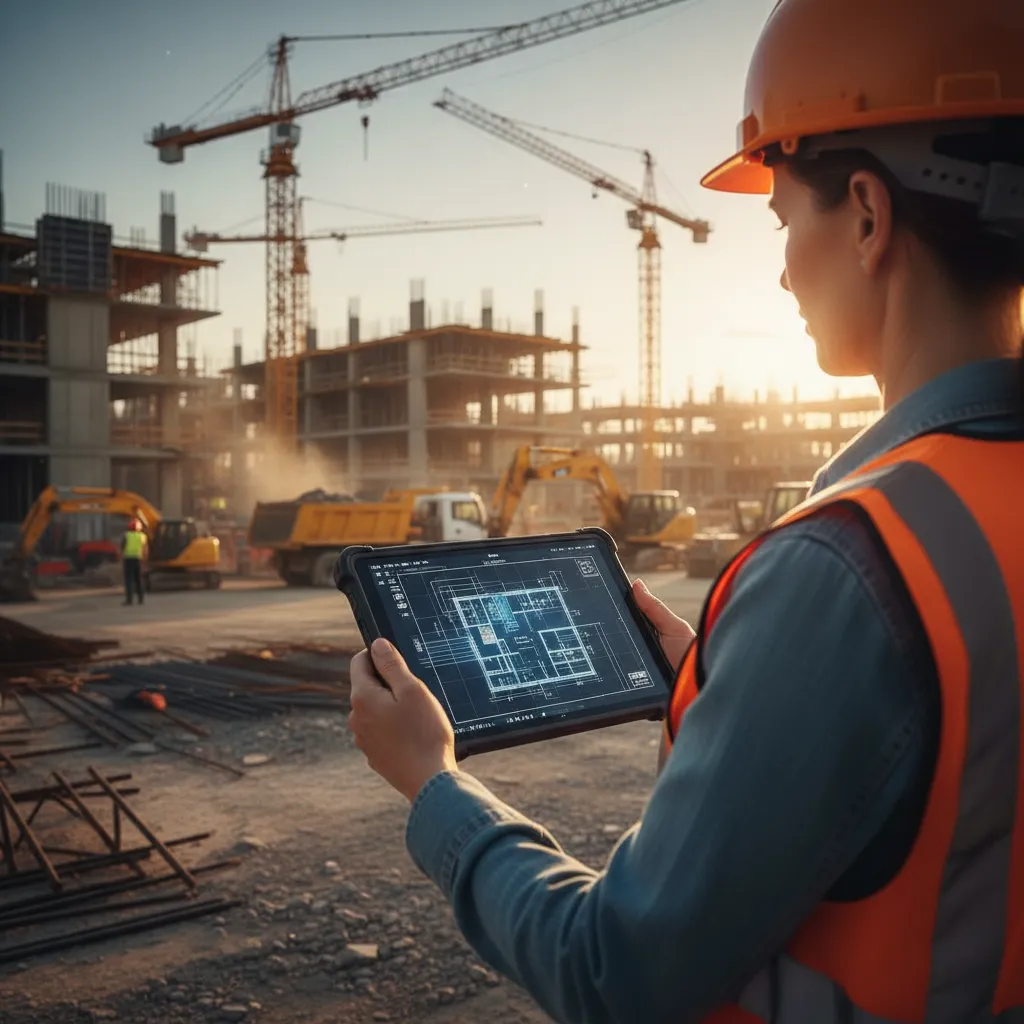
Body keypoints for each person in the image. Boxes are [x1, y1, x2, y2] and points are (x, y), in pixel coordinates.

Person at [347, 0, 1024, 1019]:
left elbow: (615, 971)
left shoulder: (845, 565)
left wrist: (432, 782)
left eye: (786, 219)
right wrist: (737, 683)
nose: (784, 265)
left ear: (869, 216)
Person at [121, 518, 147, 606]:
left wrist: (121, 559)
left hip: (128, 559)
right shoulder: (142, 536)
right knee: (139, 580)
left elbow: (122, 548)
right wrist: (144, 560)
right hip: (138, 559)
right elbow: (145, 549)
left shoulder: (127, 535)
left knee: (129, 580)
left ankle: (129, 600)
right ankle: (141, 599)